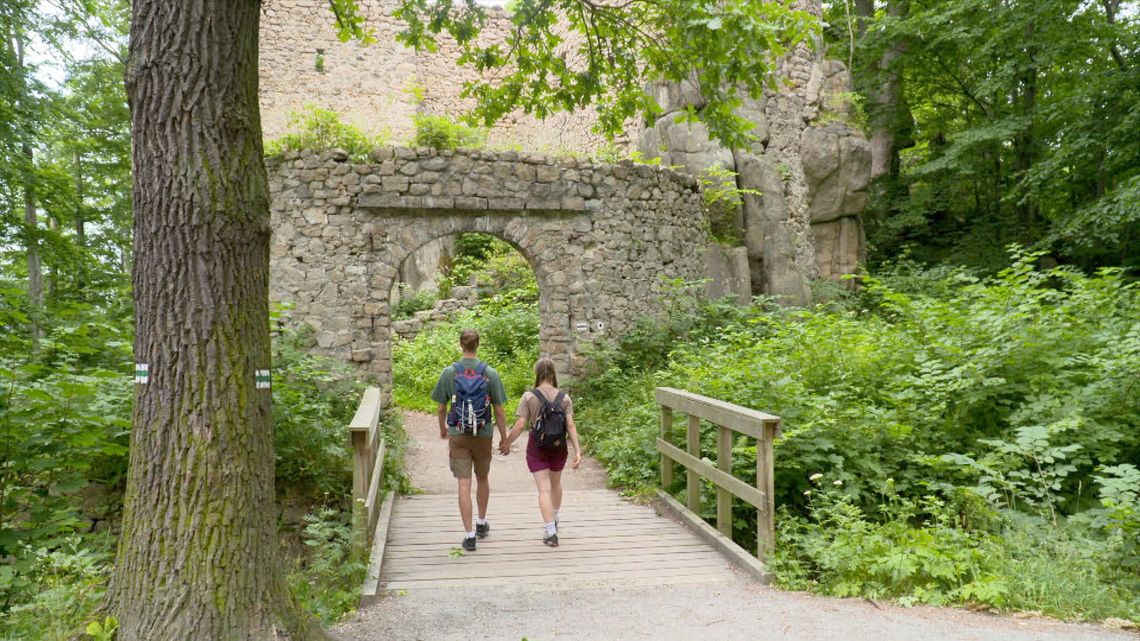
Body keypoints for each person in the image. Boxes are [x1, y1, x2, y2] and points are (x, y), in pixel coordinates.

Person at [431, 328, 508, 552]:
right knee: (482, 478)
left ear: (461, 345)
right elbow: (500, 409)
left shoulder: (449, 372)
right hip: (483, 434)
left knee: (463, 483)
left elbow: (441, 406)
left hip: (458, 434)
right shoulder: (489, 373)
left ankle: (469, 535)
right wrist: (504, 437)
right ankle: (482, 523)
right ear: (478, 345)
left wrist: (443, 428)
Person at [500, 357, 582, 547]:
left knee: (543, 489)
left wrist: (507, 443)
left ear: (537, 374)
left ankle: (551, 532)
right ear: (553, 374)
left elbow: (521, 424)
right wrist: (578, 450)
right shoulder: (565, 397)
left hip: (537, 448)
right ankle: (554, 519)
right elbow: (570, 425)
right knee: (556, 485)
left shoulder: (529, 396)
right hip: (558, 447)